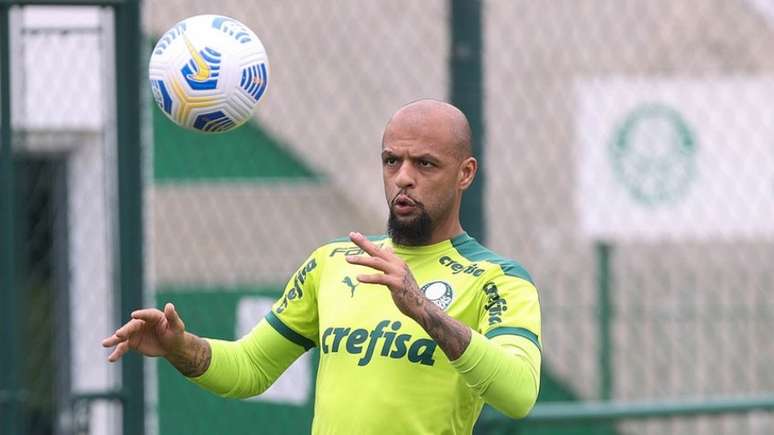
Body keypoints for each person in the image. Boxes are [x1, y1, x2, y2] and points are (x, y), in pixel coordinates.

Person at [102, 99, 542, 434]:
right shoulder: (333, 263)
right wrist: (183, 348)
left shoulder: (497, 279)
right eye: (392, 161)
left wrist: (425, 309)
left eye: (425, 163)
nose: (404, 177)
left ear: (465, 173)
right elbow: (252, 367)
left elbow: (519, 394)